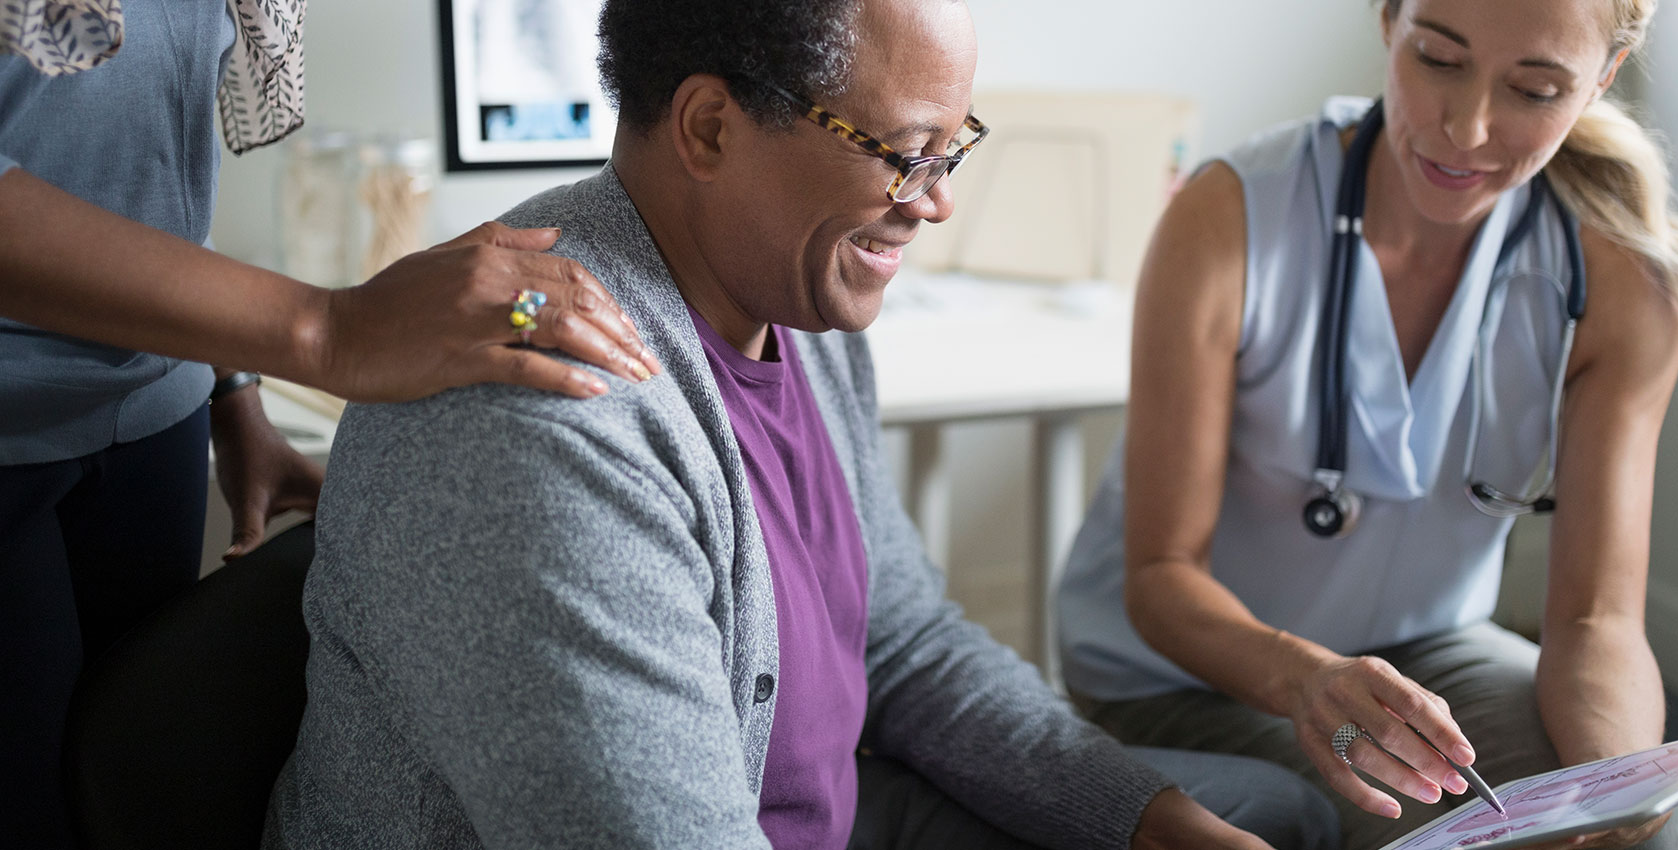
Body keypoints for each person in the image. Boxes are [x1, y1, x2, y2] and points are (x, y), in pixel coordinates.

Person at [260, 0, 1350, 848]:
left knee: (1271, 816)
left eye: (951, 146)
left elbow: (906, 642)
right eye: (901, 151)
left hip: (828, 813)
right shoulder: (544, 412)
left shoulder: (799, 305)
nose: (934, 201)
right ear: (710, 127)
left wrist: (1136, 815)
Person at [1053, 2, 1678, 849]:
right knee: (1435, 829)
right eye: (1438, 59)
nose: (1466, 128)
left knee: (1642, 827)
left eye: (1534, 89)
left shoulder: (1617, 283)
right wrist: (1307, 680)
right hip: (1183, 678)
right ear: (1388, 23)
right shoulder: (1228, 218)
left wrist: (1609, 794)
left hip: (1433, 657)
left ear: (1601, 80)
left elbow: (1594, 621)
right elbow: (1158, 576)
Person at [0, 2, 657, 847]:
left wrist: (226, 383)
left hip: (149, 417)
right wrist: (326, 330)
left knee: (138, 784)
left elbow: (136, 146)